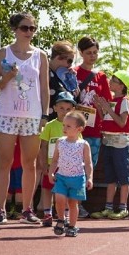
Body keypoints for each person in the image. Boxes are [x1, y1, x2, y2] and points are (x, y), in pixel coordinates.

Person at [0, 12, 50, 225]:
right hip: (6, 114)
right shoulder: (3, 53)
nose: (29, 32)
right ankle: (0, 210)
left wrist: (44, 114)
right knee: (4, 161)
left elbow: (44, 88)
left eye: (33, 28)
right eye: (25, 28)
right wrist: (6, 78)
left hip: (32, 116)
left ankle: (27, 209)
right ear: (15, 29)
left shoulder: (40, 55)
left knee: (30, 164)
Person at [72, 36, 112, 218]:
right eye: (89, 53)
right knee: (72, 165)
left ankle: (78, 203)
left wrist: (101, 104)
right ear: (81, 53)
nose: (93, 56)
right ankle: (71, 204)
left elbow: (107, 104)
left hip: (94, 129)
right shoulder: (73, 72)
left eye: (95, 52)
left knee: (88, 167)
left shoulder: (101, 76)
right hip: (75, 128)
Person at [91, 70, 129, 220]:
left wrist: (108, 108)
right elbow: (106, 119)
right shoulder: (113, 100)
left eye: (114, 80)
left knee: (123, 175)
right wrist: (100, 108)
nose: (111, 82)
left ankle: (123, 208)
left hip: (120, 143)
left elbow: (121, 122)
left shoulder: (125, 101)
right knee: (110, 176)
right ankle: (108, 207)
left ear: (122, 85)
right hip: (107, 140)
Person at [48, 110, 93, 238]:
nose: (64, 128)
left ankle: (72, 226)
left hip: (77, 178)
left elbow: (88, 163)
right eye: (64, 125)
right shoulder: (60, 142)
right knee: (59, 199)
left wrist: (90, 178)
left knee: (73, 203)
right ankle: (61, 220)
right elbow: (55, 160)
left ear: (79, 129)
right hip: (61, 176)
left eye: (68, 126)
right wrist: (51, 172)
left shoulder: (83, 145)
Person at [39, 92, 76, 226]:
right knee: (48, 189)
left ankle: (64, 214)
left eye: (68, 109)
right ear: (54, 108)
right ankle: (47, 213)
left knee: (64, 191)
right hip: (51, 165)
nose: (64, 111)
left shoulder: (74, 127)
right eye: (61, 108)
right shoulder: (49, 125)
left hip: (66, 166)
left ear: (72, 110)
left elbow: (79, 145)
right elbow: (43, 145)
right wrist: (43, 164)